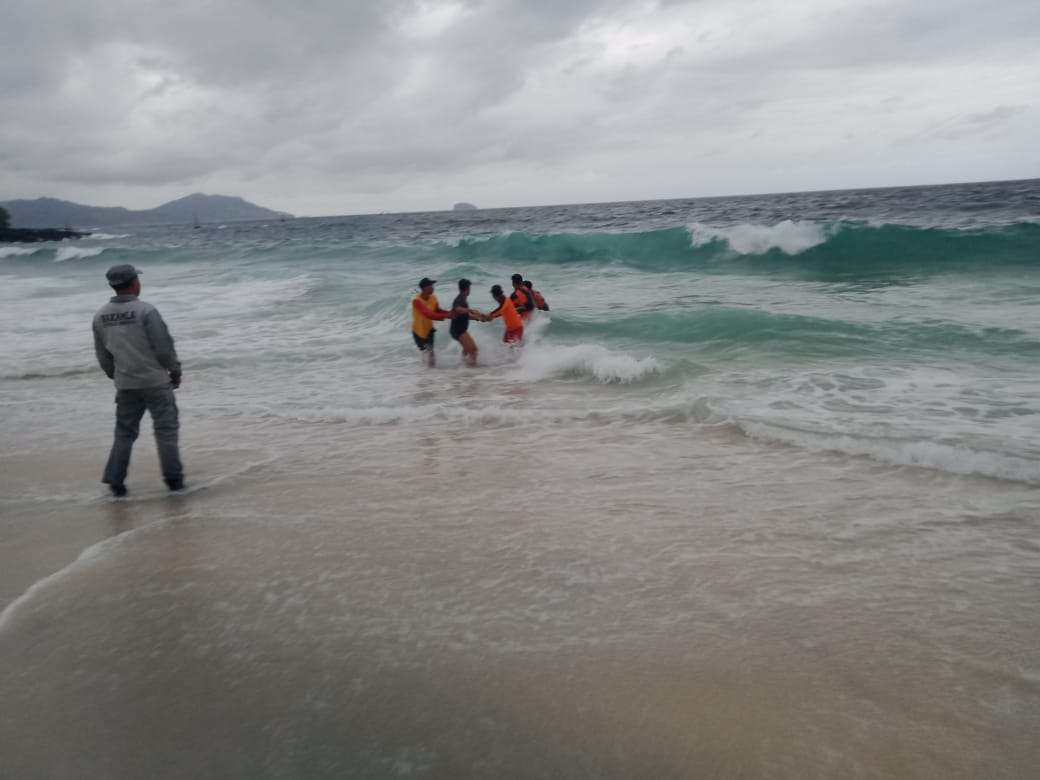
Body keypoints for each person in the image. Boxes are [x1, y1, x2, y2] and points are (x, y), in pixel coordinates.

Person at [92, 264, 183, 497]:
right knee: (165, 430)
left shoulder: (100, 315)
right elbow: (163, 348)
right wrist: (174, 370)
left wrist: (117, 375)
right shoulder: (146, 311)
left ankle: (115, 482)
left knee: (124, 433)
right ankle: (174, 481)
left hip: (126, 384)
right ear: (134, 283)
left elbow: (103, 356)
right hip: (155, 381)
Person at [411, 277, 452, 367]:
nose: (433, 288)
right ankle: (427, 374)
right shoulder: (416, 301)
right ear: (425, 288)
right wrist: (446, 316)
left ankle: (432, 375)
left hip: (429, 330)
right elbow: (428, 314)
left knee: (431, 352)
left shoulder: (433, 297)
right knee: (425, 353)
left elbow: (437, 311)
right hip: (418, 332)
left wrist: (450, 313)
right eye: (431, 286)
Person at [449, 278, 484, 366]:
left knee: (467, 350)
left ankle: (462, 366)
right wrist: (470, 310)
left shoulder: (463, 299)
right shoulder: (459, 299)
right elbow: (457, 309)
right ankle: (470, 370)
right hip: (458, 330)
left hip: (459, 330)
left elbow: (464, 315)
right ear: (467, 289)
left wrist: (477, 318)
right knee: (474, 351)